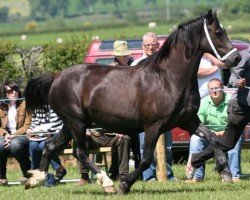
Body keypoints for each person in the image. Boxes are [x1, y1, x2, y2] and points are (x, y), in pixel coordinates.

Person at [190, 49, 250, 182]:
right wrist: (239, 83)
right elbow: (234, 77)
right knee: (227, 144)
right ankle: (196, 159)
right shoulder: (246, 56)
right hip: (241, 106)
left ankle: (196, 159)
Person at [131, 32, 176, 181]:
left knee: (167, 147)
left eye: (153, 44)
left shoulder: (166, 63)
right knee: (145, 146)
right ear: (143, 46)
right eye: (147, 45)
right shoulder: (136, 65)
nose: (150, 47)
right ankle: (148, 176)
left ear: (158, 46)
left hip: (164, 112)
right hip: (144, 114)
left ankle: (168, 175)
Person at [186, 78, 242, 183]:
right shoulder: (203, 102)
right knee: (195, 138)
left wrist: (223, 133)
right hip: (209, 134)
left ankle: (235, 176)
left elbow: (235, 123)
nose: (214, 91)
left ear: (222, 89)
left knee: (236, 139)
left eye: (216, 88)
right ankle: (197, 177)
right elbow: (199, 124)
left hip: (229, 133)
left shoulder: (232, 101)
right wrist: (212, 134)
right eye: (211, 89)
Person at [185, 53, 225, 182]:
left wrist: (213, 59)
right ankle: (196, 176)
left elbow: (223, 63)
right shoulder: (193, 54)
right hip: (199, 98)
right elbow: (193, 72)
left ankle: (233, 174)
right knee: (196, 138)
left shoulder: (214, 53)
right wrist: (212, 69)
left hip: (217, 99)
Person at [0, 81, 31, 186]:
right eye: (10, 91)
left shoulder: (25, 104)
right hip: (5, 135)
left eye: (16, 90)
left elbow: (27, 125)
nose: (14, 93)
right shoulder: (0, 107)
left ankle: (27, 174)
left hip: (22, 135)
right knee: (0, 145)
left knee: (15, 145)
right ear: (5, 94)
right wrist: (6, 135)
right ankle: (2, 177)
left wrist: (14, 135)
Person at [26, 107, 67, 183]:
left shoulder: (57, 105)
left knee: (43, 145)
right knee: (33, 145)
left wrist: (51, 133)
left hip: (58, 136)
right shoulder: (38, 107)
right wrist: (30, 130)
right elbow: (35, 123)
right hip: (41, 136)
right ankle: (35, 173)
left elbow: (64, 124)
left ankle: (59, 168)